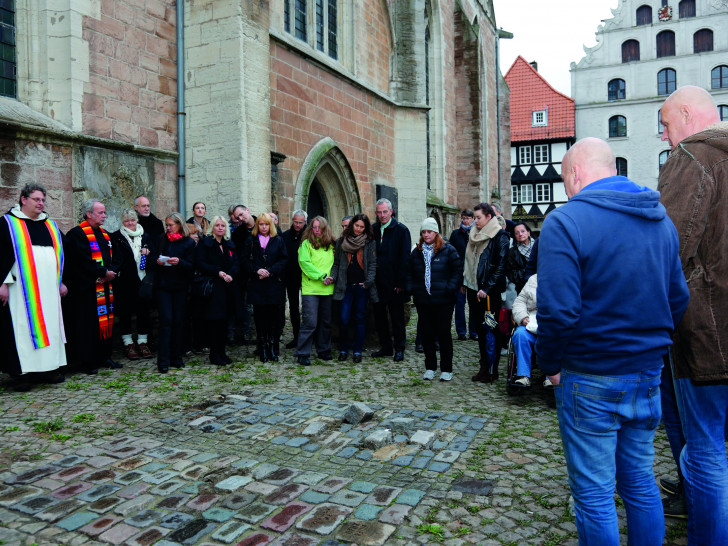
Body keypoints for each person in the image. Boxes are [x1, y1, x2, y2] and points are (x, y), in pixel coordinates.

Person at [536, 137, 689, 545]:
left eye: (566, 181)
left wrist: (548, 363)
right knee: (639, 481)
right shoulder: (661, 220)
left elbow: (559, 311)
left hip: (590, 374)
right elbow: (679, 298)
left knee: (594, 495)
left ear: (576, 173)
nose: (568, 190)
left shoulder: (565, 222)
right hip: (646, 374)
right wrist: (648, 345)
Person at [658, 85, 728, 544]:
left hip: (706, 336)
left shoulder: (694, 156)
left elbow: (665, 250)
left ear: (687, 113)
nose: (665, 137)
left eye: (665, 124)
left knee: (705, 452)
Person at [0, 183, 67, 391]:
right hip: (21, 291)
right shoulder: (7, 224)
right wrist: (1, 282)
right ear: (23, 199)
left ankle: (48, 368)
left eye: (43, 200)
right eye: (36, 199)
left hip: (49, 290)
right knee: (23, 329)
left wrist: (62, 280)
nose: (41, 203)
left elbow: (62, 256)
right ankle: (22, 374)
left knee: (50, 327)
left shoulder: (50, 225)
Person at [64, 199, 122, 374]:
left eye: (104, 212)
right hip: (86, 290)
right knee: (87, 325)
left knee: (105, 324)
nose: (104, 216)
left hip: (106, 287)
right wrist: (102, 272)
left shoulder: (106, 235)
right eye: (101, 212)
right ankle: (87, 361)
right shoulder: (77, 234)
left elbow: (117, 258)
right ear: (89, 214)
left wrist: (111, 271)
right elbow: (81, 261)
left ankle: (104, 356)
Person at [407, 218, 461, 381]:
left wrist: (449, 288)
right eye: (423, 232)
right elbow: (410, 272)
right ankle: (430, 367)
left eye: (429, 231)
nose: (426, 235)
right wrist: (413, 289)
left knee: (444, 333)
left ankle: (446, 368)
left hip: (444, 300)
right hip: (424, 300)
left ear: (435, 232)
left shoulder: (448, 250)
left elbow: (457, 271)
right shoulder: (417, 252)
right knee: (427, 334)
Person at [463, 202, 509, 383]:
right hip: (474, 290)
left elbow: (500, 267)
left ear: (489, 217)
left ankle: (492, 369)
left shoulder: (500, 236)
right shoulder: (473, 234)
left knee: (491, 329)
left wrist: (487, 288)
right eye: (474, 218)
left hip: (489, 295)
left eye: (478, 217)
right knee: (481, 331)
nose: (475, 221)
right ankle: (483, 367)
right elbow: (469, 262)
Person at [151, 213, 195, 373]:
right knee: (166, 321)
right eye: (167, 225)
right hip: (163, 287)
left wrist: (179, 262)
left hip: (180, 287)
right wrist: (157, 260)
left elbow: (192, 266)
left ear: (179, 225)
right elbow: (151, 259)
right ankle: (163, 360)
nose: (168, 228)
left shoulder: (188, 242)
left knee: (178, 322)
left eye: (171, 225)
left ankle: (176, 357)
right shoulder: (161, 239)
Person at [331, 213, 377, 363]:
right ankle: (343, 349)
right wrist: (333, 277)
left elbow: (372, 264)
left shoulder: (369, 242)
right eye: (356, 225)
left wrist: (369, 281)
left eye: (362, 227)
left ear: (365, 228)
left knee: (359, 318)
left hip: (361, 287)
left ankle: (357, 351)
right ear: (352, 225)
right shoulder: (342, 241)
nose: (358, 229)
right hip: (345, 286)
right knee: (344, 318)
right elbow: (336, 263)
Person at [243, 213, 287, 362]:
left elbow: (284, 260)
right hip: (258, 285)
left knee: (273, 318)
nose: (264, 227)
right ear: (257, 225)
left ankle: (273, 347)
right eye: (261, 224)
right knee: (260, 318)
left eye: (266, 224)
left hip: (274, 284)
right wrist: (257, 270)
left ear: (271, 225)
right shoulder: (251, 240)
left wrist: (271, 271)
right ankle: (262, 348)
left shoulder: (278, 240)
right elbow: (244, 261)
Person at [195, 215, 239, 365]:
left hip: (228, 287)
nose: (220, 228)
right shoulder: (205, 243)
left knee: (225, 321)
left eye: (223, 225)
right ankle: (215, 353)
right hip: (213, 287)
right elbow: (200, 263)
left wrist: (231, 274)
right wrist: (218, 272)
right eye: (217, 225)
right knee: (215, 321)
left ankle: (222, 352)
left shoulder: (229, 243)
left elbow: (236, 263)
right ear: (212, 227)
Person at [110, 208, 153, 361]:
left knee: (143, 312)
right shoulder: (116, 237)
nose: (130, 223)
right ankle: (128, 344)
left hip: (143, 280)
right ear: (123, 222)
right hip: (125, 281)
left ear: (137, 221)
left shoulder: (146, 235)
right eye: (127, 221)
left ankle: (143, 342)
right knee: (125, 313)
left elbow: (153, 256)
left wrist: (149, 253)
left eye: (132, 220)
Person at [372, 198, 411, 361]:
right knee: (380, 317)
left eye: (385, 212)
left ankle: (399, 347)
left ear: (391, 211)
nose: (382, 215)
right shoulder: (373, 229)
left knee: (397, 318)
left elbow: (404, 259)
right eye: (379, 212)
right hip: (378, 282)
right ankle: (386, 346)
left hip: (395, 282)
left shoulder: (401, 230)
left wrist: (401, 282)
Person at [296, 216, 335, 366]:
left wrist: (331, 277)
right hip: (311, 288)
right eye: (314, 227)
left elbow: (335, 263)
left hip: (327, 288)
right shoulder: (306, 244)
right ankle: (303, 352)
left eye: (320, 228)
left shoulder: (332, 245)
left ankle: (324, 350)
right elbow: (304, 263)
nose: (317, 230)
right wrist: (321, 276)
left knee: (325, 322)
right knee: (310, 322)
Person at [510, 274, 549, 387]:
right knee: (520, 334)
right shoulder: (534, 279)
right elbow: (519, 301)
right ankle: (523, 375)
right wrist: (523, 317)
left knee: (556, 336)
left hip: (551, 322)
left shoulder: (566, 279)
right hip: (531, 319)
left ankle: (550, 376)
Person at [449, 209, 477, 341]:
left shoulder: (476, 233)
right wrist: (459, 280)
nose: (465, 221)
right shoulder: (455, 234)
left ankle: (473, 331)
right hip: (460, 274)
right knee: (459, 304)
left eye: (468, 218)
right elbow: (452, 257)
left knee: (473, 305)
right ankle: (461, 331)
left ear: (472, 219)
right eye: (464, 218)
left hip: (473, 275)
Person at [281, 210, 307, 349]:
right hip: (290, 276)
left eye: (300, 222)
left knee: (309, 308)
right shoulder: (285, 236)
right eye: (296, 222)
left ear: (305, 222)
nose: (297, 225)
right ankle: (297, 337)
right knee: (294, 308)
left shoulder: (309, 236)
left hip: (307, 277)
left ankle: (310, 337)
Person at [506, 222, 535, 294]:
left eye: (523, 231)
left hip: (542, 285)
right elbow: (512, 275)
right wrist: (530, 271)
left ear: (528, 233)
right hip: (523, 289)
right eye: (517, 233)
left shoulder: (539, 246)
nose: (520, 234)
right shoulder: (512, 252)